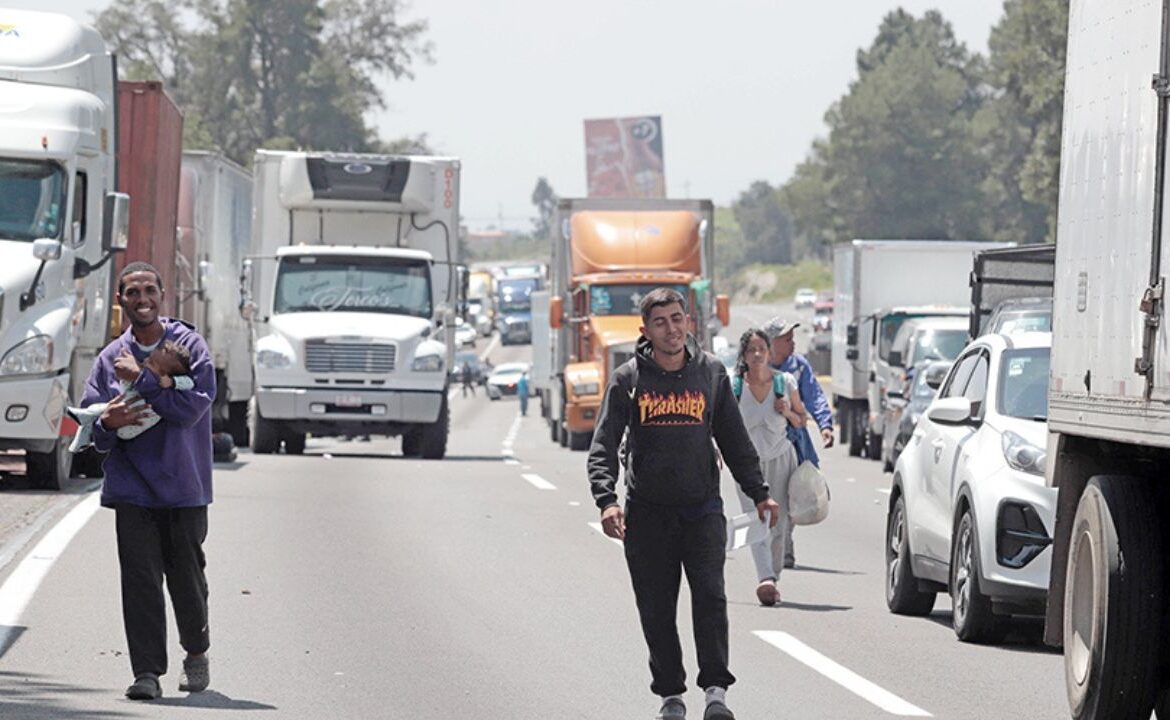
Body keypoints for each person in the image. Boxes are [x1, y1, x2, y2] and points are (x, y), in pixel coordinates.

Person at [589, 287, 780, 720]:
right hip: (647, 515)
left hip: (702, 512)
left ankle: (715, 692)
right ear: (646, 330)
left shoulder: (710, 373)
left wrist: (760, 491)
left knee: (711, 599)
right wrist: (607, 500)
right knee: (657, 608)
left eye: (677, 319)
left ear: (688, 321)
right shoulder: (628, 380)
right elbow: (603, 446)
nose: (671, 329)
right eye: (660, 322)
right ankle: (671, 696)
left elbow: (733, 439)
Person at [79, 261, 216, 701]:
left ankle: (196, 650)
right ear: (120, 300)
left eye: (149, 291)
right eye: (132, 293)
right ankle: (147, 673)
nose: (142, 300)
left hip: (183, 486)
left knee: (186, 579)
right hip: (131, 487)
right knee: (139, 581)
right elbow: (92, 427)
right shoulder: (107, 359)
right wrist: (107, 421)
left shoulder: (189, 346)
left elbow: (191, 409)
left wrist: (143, 381)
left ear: (162, 295)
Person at [731, 328, 807, 606]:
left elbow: (801, 420)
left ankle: (772, 575)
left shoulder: (784, 383)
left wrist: (786, 410)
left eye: (762, 348)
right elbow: (720, 424)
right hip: (747, 465)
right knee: (755, 518)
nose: (757, 354)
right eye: (751, 350)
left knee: (780, 521)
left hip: (781, 459)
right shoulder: (734, 387)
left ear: (770, 352)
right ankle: (766, 579)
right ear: (744, 355)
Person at [763, 317, 834, 569]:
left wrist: (825, 425)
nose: (793, 344)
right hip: (762, 442)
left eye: (793, 338)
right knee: (766, 495)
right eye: (787, 339)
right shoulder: (755, 366)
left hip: (794, 442)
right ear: (771, 343)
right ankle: (770, 546)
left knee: (790, 492)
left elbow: (814, 397)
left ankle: (784, 545)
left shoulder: (799, 367)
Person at [68, 341, 194, 451]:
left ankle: (84, 417)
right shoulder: (151, 383)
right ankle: (83, 434)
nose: (144, 364)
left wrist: (172, 382)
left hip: (133, 424)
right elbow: (126, 391)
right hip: (129, 418)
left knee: (103, 408)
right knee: (107, 407)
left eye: (150, 362)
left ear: (162, 372)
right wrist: (126, 377)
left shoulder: (163, 385)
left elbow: (190, 383)